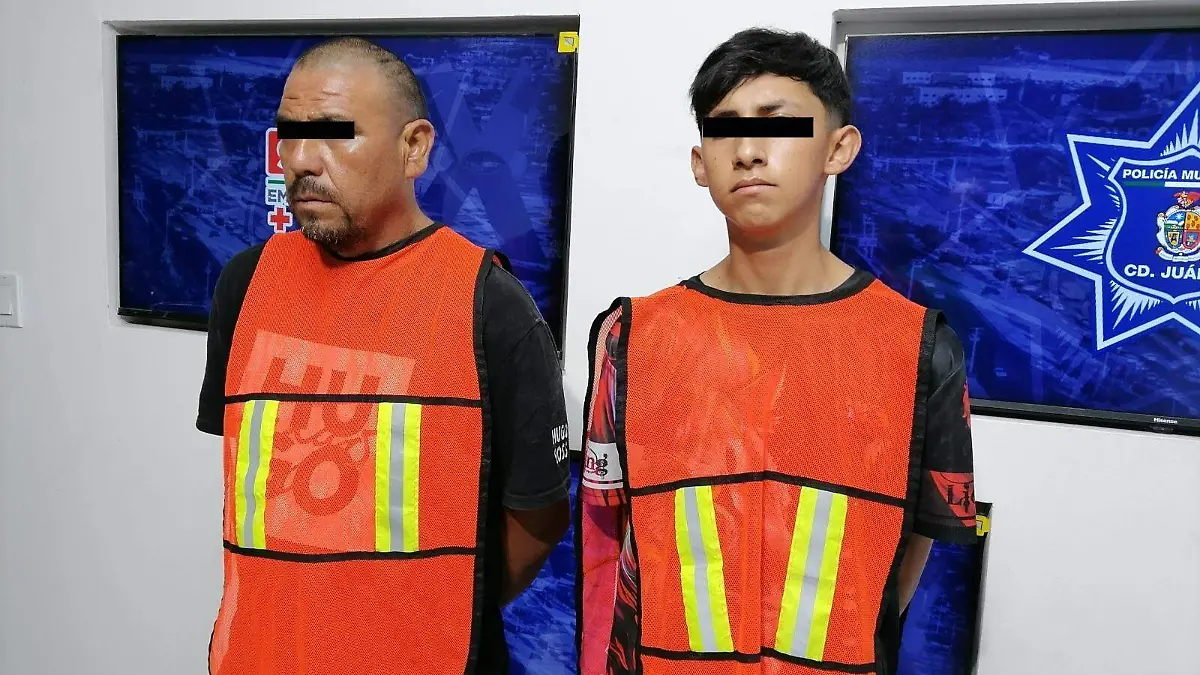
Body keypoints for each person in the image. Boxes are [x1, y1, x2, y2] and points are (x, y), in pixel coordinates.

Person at [576, 28, 977, 675]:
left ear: (838, 148)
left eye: (779, 124)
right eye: (725, 131)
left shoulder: (919, 347)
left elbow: (907, 556)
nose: (749, 152)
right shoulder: (632, 336)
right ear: (699, 162)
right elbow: (606, 536)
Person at [195, 37, 571, 674]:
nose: (302, 160)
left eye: (335, 134)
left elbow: (537, 516)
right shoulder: (245, 283)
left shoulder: (489, 303)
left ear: (414, 147)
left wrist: (424, 610)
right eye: (291, 135)